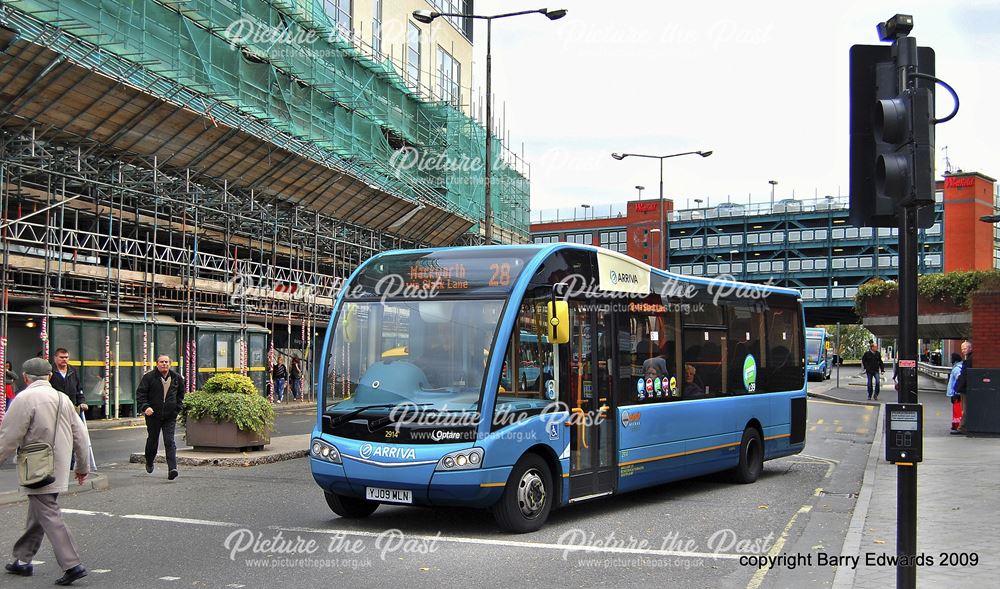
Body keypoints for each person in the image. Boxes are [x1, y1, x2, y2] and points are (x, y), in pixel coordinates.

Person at [0, 358, 90, 585]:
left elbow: (9, 437)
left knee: (47, 511)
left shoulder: (24, 398)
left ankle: (72, 564)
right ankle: (22, 560)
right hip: (58, 465)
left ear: (25, 377)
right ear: (49, 376)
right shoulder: (63, 398)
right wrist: (81, 467)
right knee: (39, 508)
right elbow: (80, 434)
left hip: (37, 465)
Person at [136, 355, 185, 480]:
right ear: (157, 364)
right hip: (153, 415)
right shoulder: (149, 377)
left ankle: (172, 469)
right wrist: (146, 407)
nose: (164, 364)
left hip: (170, 416)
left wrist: (177, 409)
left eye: (167, 362)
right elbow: (141, 394)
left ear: (170, 364)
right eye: (162, 362)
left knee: (170, 441)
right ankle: (149, 461)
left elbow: (180, 395)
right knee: (153, 440)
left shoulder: (177, 378)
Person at [49, 349, 88, 414]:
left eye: (66, 357)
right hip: (55, 407)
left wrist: (82, 402)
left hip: (71, 407)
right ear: (55, 358)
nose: (64, 359)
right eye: (61, 357)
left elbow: (79, 389)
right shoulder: (50, 371)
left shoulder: (73, 371)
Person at [954, 341, 973, 435]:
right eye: (962, 349)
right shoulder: (969, 359)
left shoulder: (969, 360)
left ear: (970, 348)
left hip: (965, 388)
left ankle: (962, 427)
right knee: (965, 408)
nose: (963, 351)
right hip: (966, 387)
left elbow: (964, 375)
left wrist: (958, 387)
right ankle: (963, 426)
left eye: (965, 348)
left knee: (965, 408)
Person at [946, 352, 964, 434]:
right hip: (957, 392)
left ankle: (957, 426)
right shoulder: (960, 366)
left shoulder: (956, 368)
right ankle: (956, 425)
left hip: (956, 393)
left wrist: (956, 393)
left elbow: (958, 380)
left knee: (957, 410)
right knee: (957, 410)